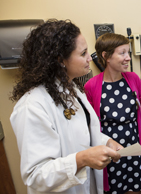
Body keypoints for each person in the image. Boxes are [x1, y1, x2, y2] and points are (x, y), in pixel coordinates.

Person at [10, 19, 123, 194]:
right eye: (83, 53)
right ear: (60, 60)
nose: (89, 58)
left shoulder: (72, 90)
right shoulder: (32, 106)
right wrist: (81, 159)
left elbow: (81, 132)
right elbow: (35, 176)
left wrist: (105, 141)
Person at [84, 33, 141, 194]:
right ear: (106, 56)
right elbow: (88, 122)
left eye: (128, 52)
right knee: (112, 188)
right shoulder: (91, 86)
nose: (128, 58)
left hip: (133, 147)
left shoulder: (133, 79)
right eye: (122, 53)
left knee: (134, 188)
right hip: (109, 151)